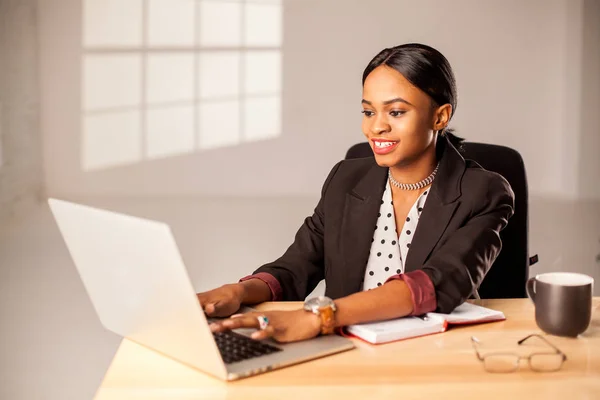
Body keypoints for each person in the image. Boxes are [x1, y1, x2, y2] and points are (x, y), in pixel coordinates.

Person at [199, 43, 514, 343]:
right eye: (368, 112)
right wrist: (238, 292)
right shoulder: (346, 178)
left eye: (396, 112)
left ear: (440, 116)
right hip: (343, 346)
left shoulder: (483, 192)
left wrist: (319, 317)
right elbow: (295, 267)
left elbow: (437, 283)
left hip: (431, 354)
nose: (376, 127)